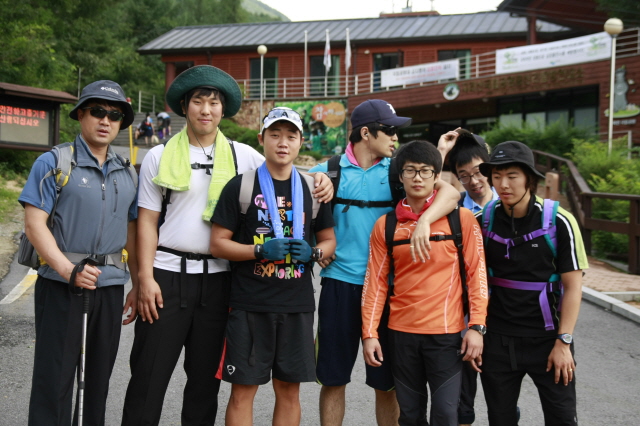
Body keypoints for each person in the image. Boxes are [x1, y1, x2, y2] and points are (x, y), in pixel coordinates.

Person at [121, 66, 333, 426]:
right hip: (167, 275)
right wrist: (143, 278)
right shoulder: (159, 155)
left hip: (220, 280)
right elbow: (145, 222)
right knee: (148, 375)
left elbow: (284, 170)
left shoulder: (242, 155)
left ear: (223, 110)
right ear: (184, 107)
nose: (206, 110)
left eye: (214, 103)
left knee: (205, 382)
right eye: (198, 102)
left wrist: (321, 178)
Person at [309, 99, 461, 426]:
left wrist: (425, 220)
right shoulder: (327, 172)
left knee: (387, 384)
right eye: (390, 130)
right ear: (366, 133)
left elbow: (450, 194)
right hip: (340, 286)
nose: (395, 138)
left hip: (389, 291)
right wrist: (315, 246)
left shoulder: (397, 171)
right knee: (333, 380)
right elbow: (290, 209)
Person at [18, 80, 139, 426]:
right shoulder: (54, 162)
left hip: (109, 287)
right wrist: (67, 269)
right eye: (97, 111)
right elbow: (35, 224)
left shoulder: (127, 172)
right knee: (54, 378)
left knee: (97, 382)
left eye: (114, 115)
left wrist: (139, 282)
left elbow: (132, 233)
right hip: (62, 286)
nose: (106, 120)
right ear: (81, 114)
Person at [210, 106, 337, 426]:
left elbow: (329, 241)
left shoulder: (313, 189)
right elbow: (218, 244)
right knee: (242, 392)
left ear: (301, 142)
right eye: (275, 135)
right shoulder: (241, 186)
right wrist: (259, 251)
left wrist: (314, 253)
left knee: (289, 392)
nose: (283, 142)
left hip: (296, 305)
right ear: (261, 139)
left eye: (291, 136)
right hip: (249, 304)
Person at [362, 140, 488, 426]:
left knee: (446, 415)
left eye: (425, 171)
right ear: (401, 176)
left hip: (446, 335)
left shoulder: (462, 220)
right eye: (410, 170)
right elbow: (375, 284)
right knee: (410, 416)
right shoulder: (386, 225)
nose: (418, 178)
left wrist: (477, 327)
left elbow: (477, 276)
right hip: (401, 334)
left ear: (436, 176)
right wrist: (369, 333)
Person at [477, 141, 588, 426]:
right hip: (498, 341)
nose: (503, 184)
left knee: (562, 419)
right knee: (500, 419)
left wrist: (564, 342)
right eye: (497, 176)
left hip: (549, 340)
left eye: (512, 176)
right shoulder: (482, 221)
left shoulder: (560, 222)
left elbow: (573, 287)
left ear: (530, 179)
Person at [437, 128, 499, 426]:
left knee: (502, 394)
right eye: (464, 176)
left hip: (504, 313)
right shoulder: (454, 208)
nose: (473, 181)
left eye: (478, 172)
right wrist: (441, 151)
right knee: (463, 398)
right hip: (464, 314)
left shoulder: (509, 205)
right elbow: (426, 188)